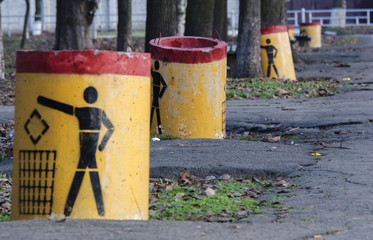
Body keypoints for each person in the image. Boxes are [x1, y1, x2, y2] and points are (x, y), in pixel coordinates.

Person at [37, 86, 114, 217]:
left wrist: (43, 100)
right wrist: (102, 144)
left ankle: (69, 210)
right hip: (90, 148)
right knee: (91, 177)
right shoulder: (100, 112)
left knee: (80, 177)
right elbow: (110, 128)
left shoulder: (81, 111)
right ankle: (100, 211)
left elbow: (63, 107)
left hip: (86, 148)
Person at [150, 60, 167, 134]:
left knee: (153, 112)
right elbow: (165, 85)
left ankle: (150, 128)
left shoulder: (154, 74)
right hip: (156, 96)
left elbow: (150, 71)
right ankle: (159, 129)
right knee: (156, 112)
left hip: (155, 96)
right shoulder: (159, 75)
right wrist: (160, 94)